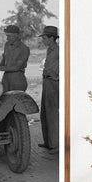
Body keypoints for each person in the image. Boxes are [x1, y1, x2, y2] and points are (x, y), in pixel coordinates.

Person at [38, 26, 59, 155]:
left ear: (52, 38)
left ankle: (56, 145)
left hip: (53, 82)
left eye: (45, 38)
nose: (43, 40)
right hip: (46, 82)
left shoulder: (59, 51)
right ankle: (48, 142)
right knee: (45, 113)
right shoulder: (49, 50)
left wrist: (56, 75)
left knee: (52, 115)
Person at [0, 25, 30, 91]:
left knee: (15, 99)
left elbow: (17, 67)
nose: (7, 38)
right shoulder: (7, 45)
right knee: (4, 99)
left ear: (16, 35)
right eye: (7, 36)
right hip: (6, 77)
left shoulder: (24, 49)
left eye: (9, 36)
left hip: (17, 79)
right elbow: (4, 60)